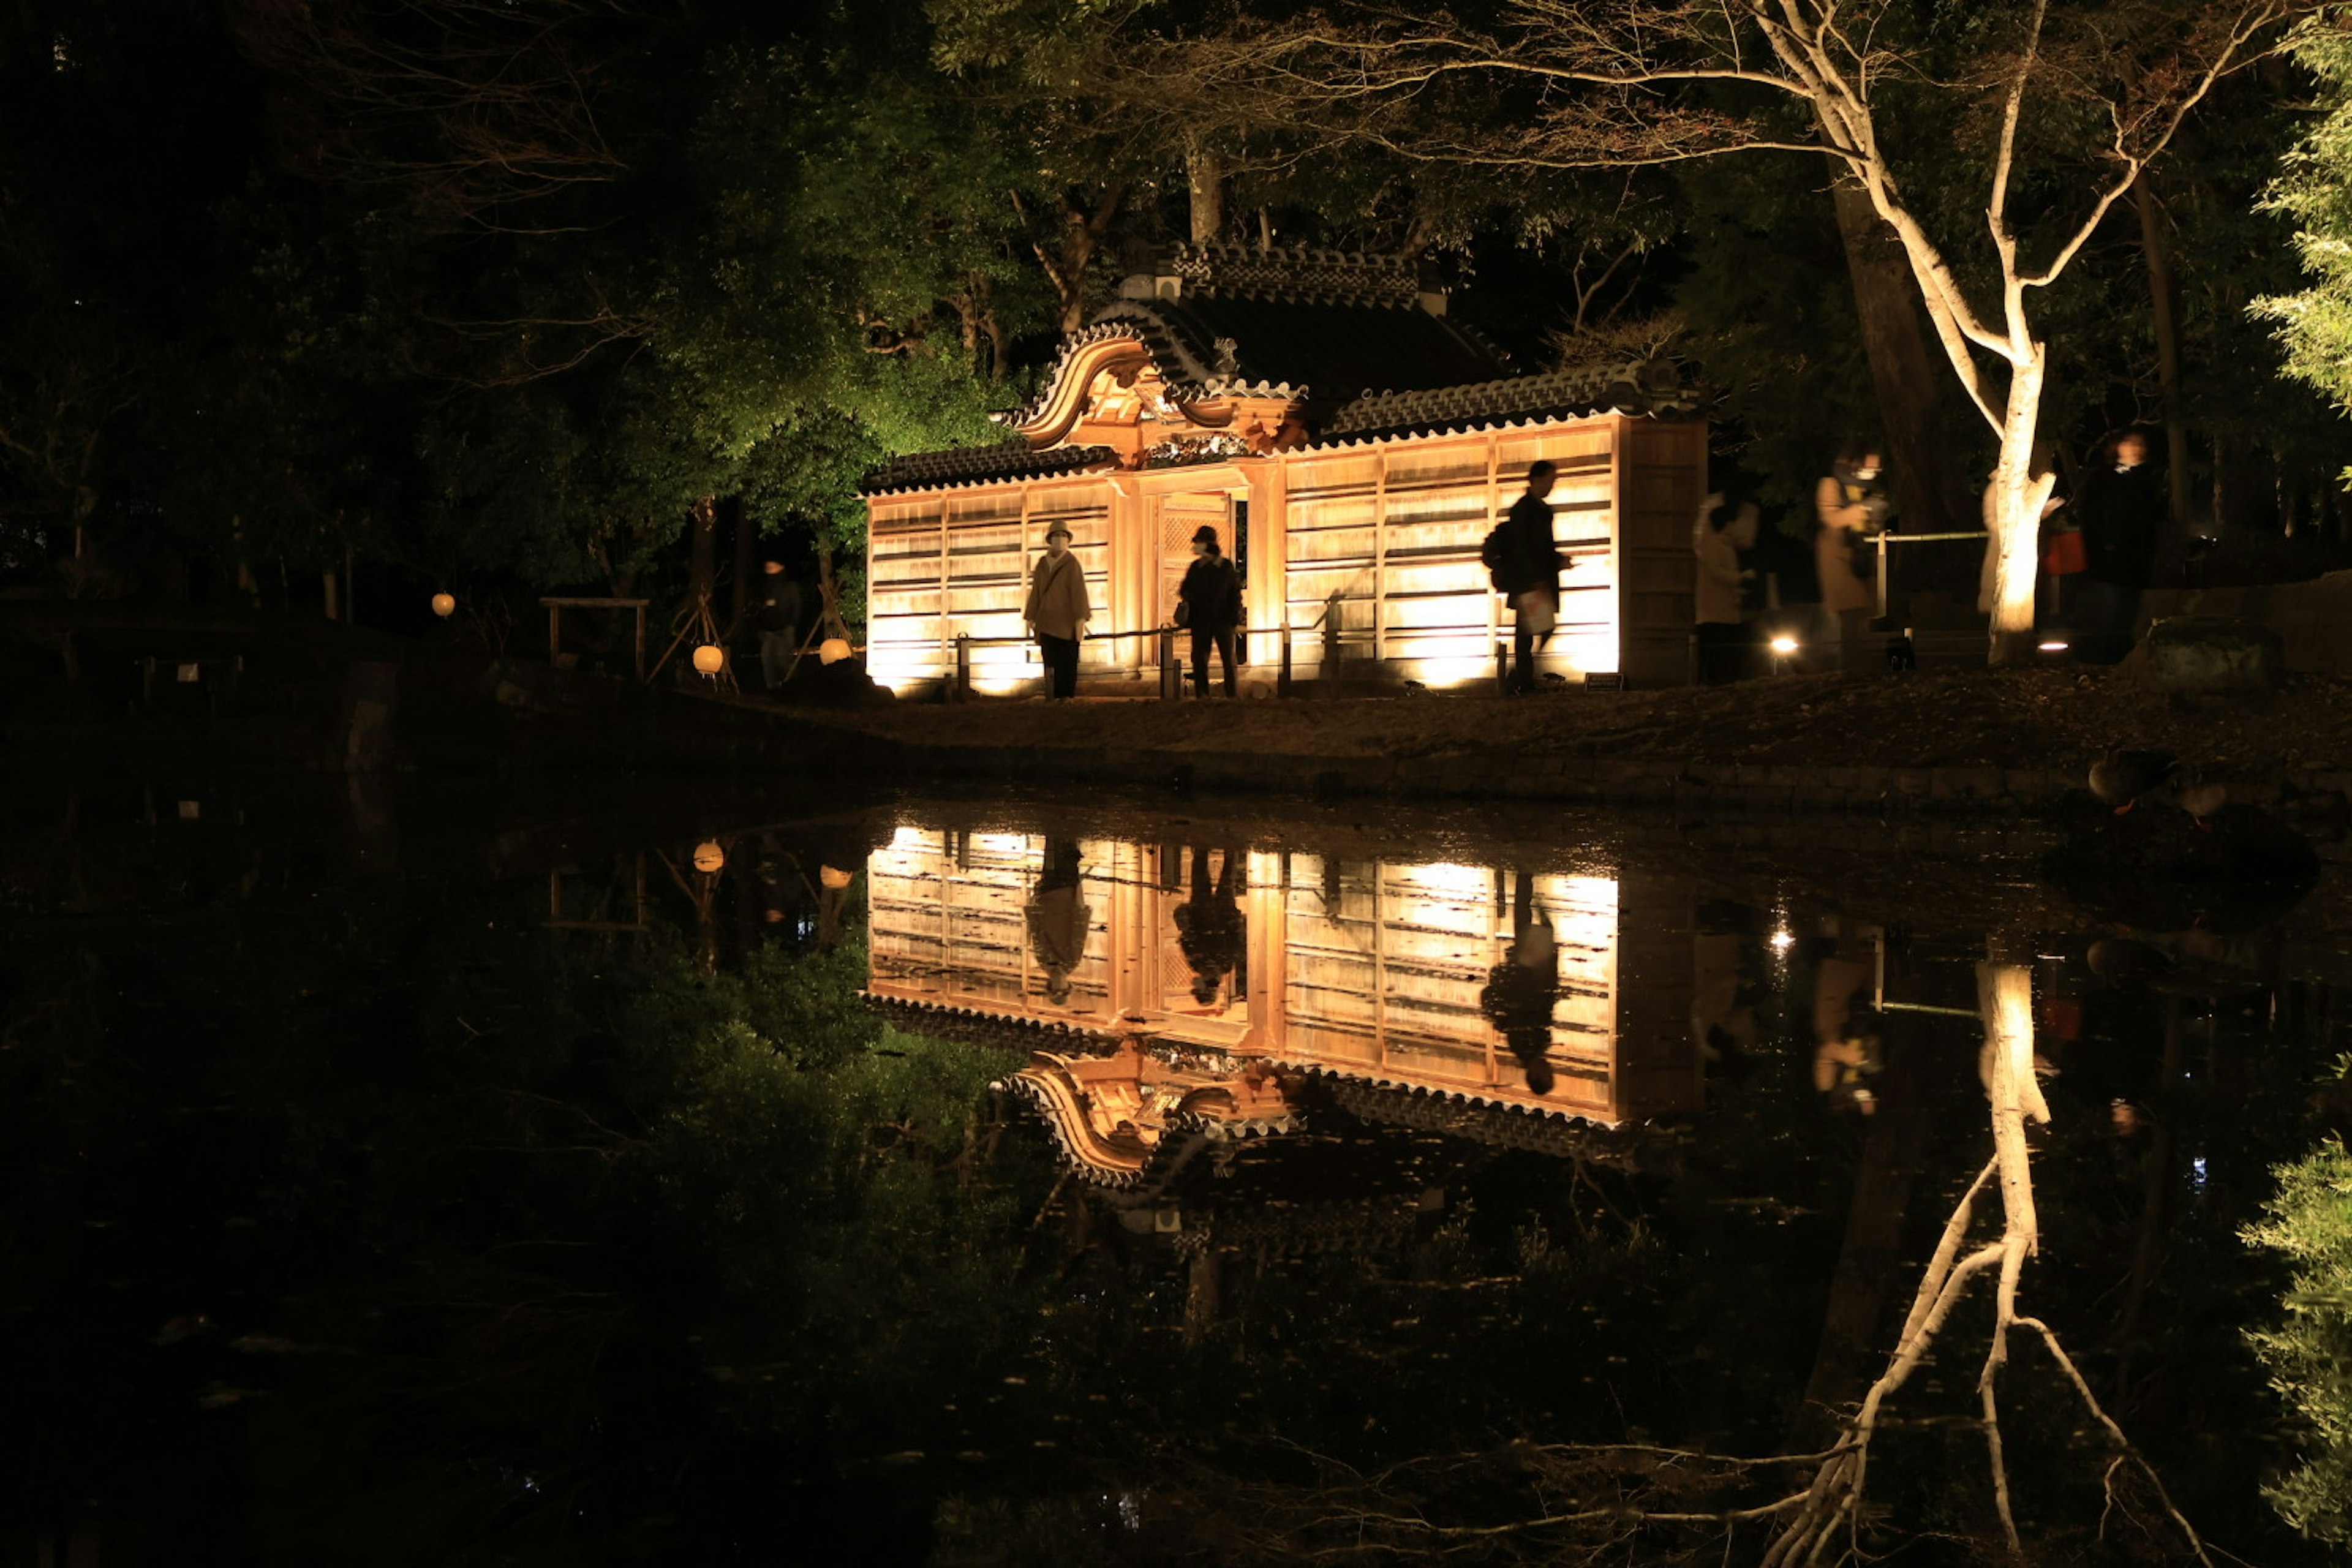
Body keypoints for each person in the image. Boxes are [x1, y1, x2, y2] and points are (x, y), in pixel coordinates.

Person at [2071, 430, 2165, 664]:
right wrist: (2103, 544)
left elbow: (2153, 516)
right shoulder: (2102, 478)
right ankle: (2100, 658)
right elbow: (2090, 515)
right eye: (2129, 443)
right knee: (2107, 610)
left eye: (2139, 444)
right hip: (2108, 558)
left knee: (2128, 611)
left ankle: (2120, 657)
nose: (2136, 448)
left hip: (2137, 558)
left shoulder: (2147, 478)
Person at [1479, 870, 1561, 1095]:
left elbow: (1523, 1007)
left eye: (1547, 1075)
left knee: (1528, 928)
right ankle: (1526, 882)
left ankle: (1525, 880)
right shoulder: (1537, 1047)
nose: (1550, 1069)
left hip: (1527, 976)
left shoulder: (1523, 1046)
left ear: (1534, 1076)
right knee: (1532, 930)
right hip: (1535, 977)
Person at [1815, 448, 1888, 674]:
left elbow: (1869, 524)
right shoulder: (1832, 484)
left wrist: (1875, 518)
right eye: (1869, 467)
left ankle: (1856, 667)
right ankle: (1847, 669)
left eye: (1877, 469)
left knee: (1861, 614)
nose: (1872, 473)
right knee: (1850, 612)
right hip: (1838, 556)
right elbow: (1832, 518)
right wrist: (1863, 510)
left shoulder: (1862, 488)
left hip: (1860, 556)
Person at [1495, 461, 1562, 693]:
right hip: (1528, 581)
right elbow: (1522, 548)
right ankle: (1521, 679)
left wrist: (1557, 561)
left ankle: (1521, 678)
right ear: (1538, 479)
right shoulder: (1524, 510)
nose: (1552, 486)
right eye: (1550, 480)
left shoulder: (1539, 510)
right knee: (1531, 631)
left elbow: (1544, 547)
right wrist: (1536, 577)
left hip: (1536, 579)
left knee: (1536, 629)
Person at [1694, 488, 1759, 684]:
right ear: (1728, 524)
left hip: (1726, 611)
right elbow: (1717, 572)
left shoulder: (1724, 545)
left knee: (1728, 656)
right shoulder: (1713, 545)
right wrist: (1740, 579)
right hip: (1714, 614)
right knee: (1717, 658)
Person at [1023, 523, 1090, 699]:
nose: (1060, 539)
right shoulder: (1042, 564)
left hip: (1067, 625)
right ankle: (1052, 696)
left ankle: (1066, 697)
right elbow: (1037, 590)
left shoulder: (1072, 564)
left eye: (1063, 535)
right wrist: (1031, 615)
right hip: (1046, 623)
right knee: (1050, 663)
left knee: (1067, 665)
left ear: (1068, 540)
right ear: (1050, 539)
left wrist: (1080, 618)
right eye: (1056, 535)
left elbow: (1078, 593)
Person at [1172, 845, 1244, 1008]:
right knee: (1217, 880)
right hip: (1218, 915)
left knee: (1210, 880)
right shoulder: (1221, 965)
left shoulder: (1204, 965)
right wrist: (1235, 921)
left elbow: (1186, 938)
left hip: (1205, 914)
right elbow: (1236, 941)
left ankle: (1208, 849)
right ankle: (1223, 848)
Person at [1176, 524, 1242, 698]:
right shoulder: (1197, 567)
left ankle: (1231, 695)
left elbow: (1235, 595)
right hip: (1202, 621)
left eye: (1198, 542)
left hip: (1221, 621)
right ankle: (1203, 695)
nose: (1195, 546)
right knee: (1200, 662)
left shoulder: (1225, 567)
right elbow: (1184, 590)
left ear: (1206, 544)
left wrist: (1233, 618)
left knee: (1228, 661)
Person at [1027, 837, 1089, 1008]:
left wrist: (1033, 905)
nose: (1058, 984)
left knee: (1052, 857)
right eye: (1061, 987)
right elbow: (1079, 929)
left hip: (1047, 898)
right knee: (1069, 859)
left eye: (1055, 987)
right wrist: (1079, 903)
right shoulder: (1071, 961)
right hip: (1066, 899)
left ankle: (1054, 831)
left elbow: (1036, 932)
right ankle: (1069, 831)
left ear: (1050, 985)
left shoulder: (1043, 961)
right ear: (1067, 984)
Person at [754, 560, 804, 692]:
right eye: (767, 567)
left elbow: (796, 607)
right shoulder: (764, 587)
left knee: (784, 661)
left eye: (772, 567)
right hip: (768, 632)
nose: (769, 570)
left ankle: (791, 689)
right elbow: (757, 607)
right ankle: (772, 690)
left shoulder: (789, 587)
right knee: (768, 662)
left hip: (784, 630)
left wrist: (792, 625)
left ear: (780, 567)